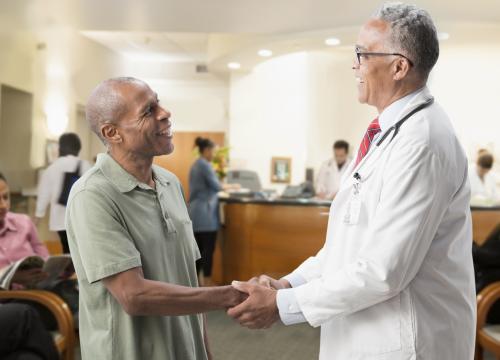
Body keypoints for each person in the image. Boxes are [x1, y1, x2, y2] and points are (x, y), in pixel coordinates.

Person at [227, 4, 476, 360]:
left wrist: (283, 304)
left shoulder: (423, 141)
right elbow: (349, 244)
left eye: (362, 53)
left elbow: (383, 270)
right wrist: (289, 283)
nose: (354, 64)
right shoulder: (386, 132)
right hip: (365, 333)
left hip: (408, 340)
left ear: (399, 66)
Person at [67, 77, 245, 360]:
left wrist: (205, 353)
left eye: (158, 102)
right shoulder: (92, 196)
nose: (165, 113)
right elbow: (134, 296)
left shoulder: (170, 183)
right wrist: (230, 295)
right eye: (148, 110)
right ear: (112, 133)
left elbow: (188, 281)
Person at [0, 172, 78, 330]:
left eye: (6, 197)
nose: (3, 205)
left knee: (80, 288)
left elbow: (45, 260)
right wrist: (12, 279)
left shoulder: (24, 223)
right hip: (8, 304)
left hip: (39, 292)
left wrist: (63, 268)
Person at [189, 137, 238, 286]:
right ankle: (208, 281)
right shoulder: (205, 165)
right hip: (206, 215)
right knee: (207, 250)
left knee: (198, 250)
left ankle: (197, 282)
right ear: (207, 150)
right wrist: (233, 186)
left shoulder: (196, 164)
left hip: (195, 213)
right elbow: (217, 186)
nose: (214, 154)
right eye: (213, 151)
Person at [35, 133, 91, 253]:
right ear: (78, 148)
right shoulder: (86, 166)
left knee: (67, 250)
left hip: (60, 220)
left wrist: (37, 219)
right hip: (81, 218)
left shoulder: (51, 168)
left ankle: (69, 269)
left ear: (60, 148)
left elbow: (43, 196)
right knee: (81, 252)